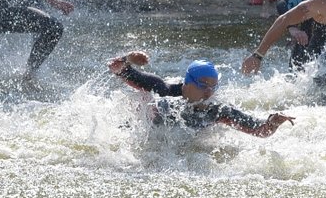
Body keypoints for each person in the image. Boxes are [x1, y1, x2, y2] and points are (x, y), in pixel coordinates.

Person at [108, 52, 295, 138]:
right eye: (204, 85)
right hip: (137, 134)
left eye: (213, 87)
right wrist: (127, 58)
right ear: (188, 82)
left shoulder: (217, 111)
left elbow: (259, 130)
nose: (208, 92)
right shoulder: (161, 89)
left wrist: (273, 122)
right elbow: (116, 68)